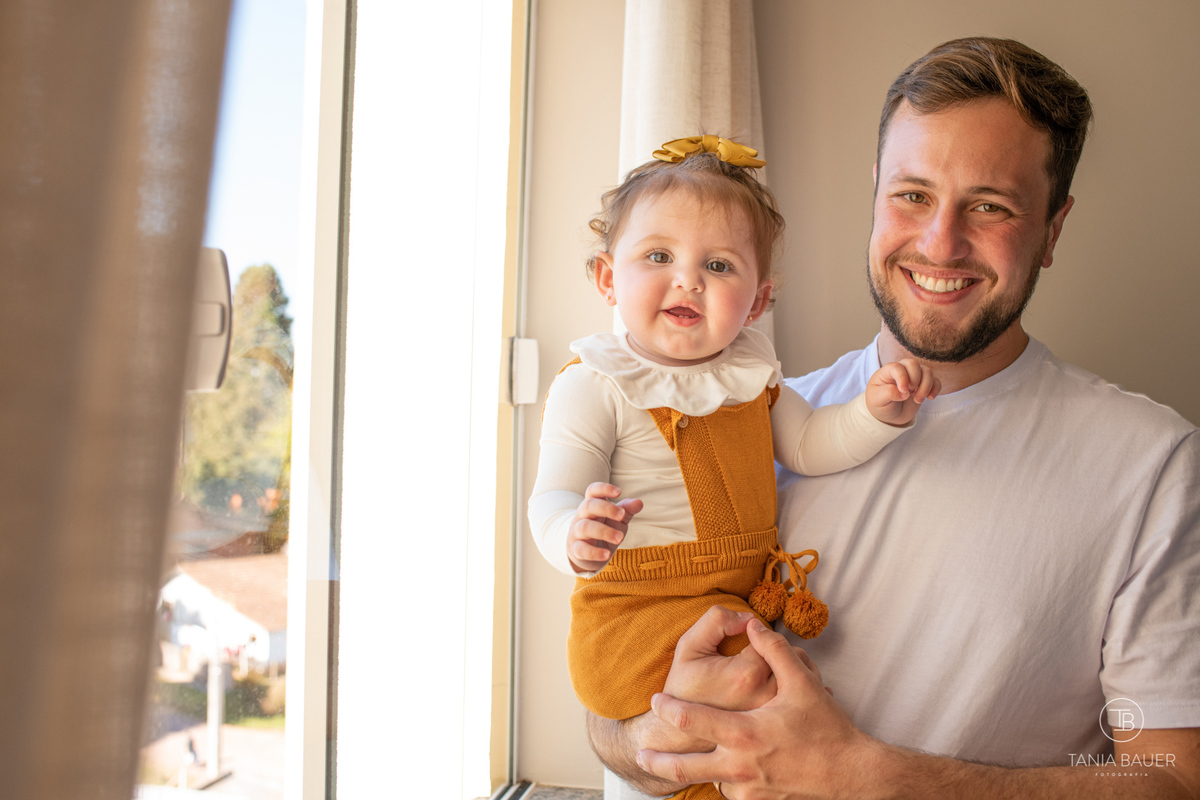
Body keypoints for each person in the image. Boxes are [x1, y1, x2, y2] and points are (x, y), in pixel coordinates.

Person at [589, 37, 1200, 800]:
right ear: (875, 192)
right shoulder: (744, 418)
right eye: (912, 194)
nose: (940, 242)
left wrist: (870, 778)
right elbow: (607, 694)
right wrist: (654, 737)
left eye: (990, 206)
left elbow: (1171, 778)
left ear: (1052, 229)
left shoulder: (1152, 465)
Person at [528, 136, 939, 797]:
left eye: (718, 266)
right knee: (768, 694)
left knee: (763, 704)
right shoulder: (596, 382)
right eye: (658, 256)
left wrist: (874, 414)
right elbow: (551, 495)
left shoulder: (752, 376)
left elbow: (811, 444)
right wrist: (572, 532)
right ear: (609, 277)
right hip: (633, 613)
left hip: (725, 604)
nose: (687, 278)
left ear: (756, 302)